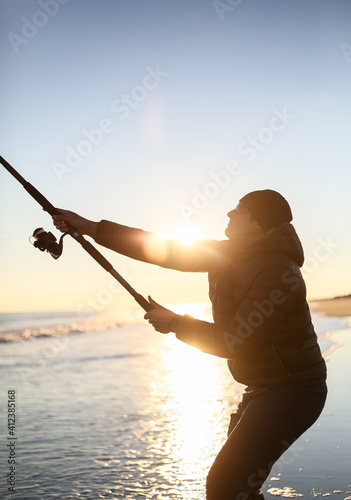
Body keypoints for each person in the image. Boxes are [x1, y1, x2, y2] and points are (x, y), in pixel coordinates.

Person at [53, 189, 327, 499]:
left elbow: (234, 340)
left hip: (294, 393)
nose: (229, 214)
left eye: (239, 211)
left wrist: (175, 323)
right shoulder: (228, 252)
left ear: (259, 224)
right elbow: (163, 249)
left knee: (224, 485)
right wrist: (90, 227)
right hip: (262, 388)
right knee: (240, 487)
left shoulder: (278, 270)